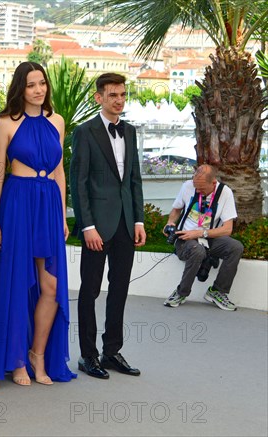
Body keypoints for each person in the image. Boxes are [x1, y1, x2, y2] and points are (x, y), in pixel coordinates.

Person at [0, 62, 77, 385]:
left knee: (51, 286)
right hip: (17, 203)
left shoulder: (57, 121)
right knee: (18, 283)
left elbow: (60, 171)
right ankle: (17, 360)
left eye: (42, 83)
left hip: (48, 203)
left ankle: (39, 354)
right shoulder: (5, 123)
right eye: (32, 84)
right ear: (20, 88)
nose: (39, 90)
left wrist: (61, 214)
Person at [70, 72, 146, 380]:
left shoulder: (129, 132)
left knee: (120, 290)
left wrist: (138, 219)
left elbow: (134, 179)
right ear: (99, 97)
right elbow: (79, 182)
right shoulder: (85, 132)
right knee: (89, 291)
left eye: (123, 95)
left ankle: (112, 351)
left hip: (126, 224)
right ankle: (88, 356)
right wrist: (87, 225)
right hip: (96, 228)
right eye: (113, 95)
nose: (119, 100)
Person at [163, 164, 243, 311]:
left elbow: (227, 229)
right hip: (185, 239)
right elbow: (176, 210)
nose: (198, 191)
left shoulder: (225, 193)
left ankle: (217, 291)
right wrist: (170, 223)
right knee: (197, 250)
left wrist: (200, 233)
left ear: (213, 183)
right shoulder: (187, 187)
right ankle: (181, 292)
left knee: (235, 247)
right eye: (196, 187)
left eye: (201, 188)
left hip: (208, 238)